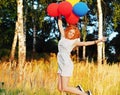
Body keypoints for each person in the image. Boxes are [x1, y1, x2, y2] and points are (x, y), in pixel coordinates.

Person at [57, 17, 106, 95]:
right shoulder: (63, 36)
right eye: (70, 32)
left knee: (65, 87)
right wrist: (59, 15)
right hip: (60, 64)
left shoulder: (74, 42)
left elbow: (85, 43)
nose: (71, 34)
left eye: (73, 33)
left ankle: (86, 94)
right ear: (68, 31)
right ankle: (77, 89)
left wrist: (98, 41)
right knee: (60, 88)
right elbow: (60, 24)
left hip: (66, 64)